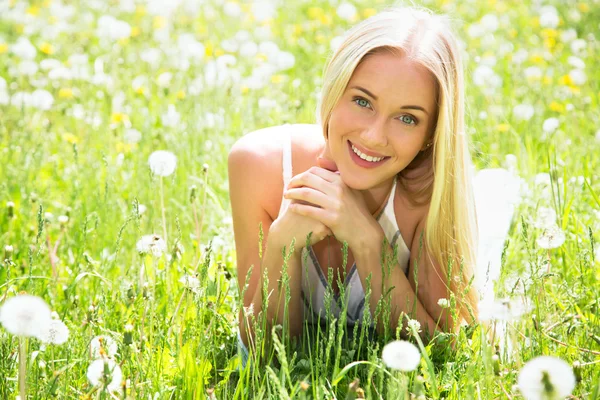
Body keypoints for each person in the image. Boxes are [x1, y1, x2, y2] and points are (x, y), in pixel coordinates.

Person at [228, 6, 483, 366]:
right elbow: (261, 353)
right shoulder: (258, 165)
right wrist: (281, 248)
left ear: (430, 135)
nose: (374, 136)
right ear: (335, 89)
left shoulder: (432, 193)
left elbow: (443, 350)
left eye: (407, 118)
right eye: (362, 101)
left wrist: (368, 241)